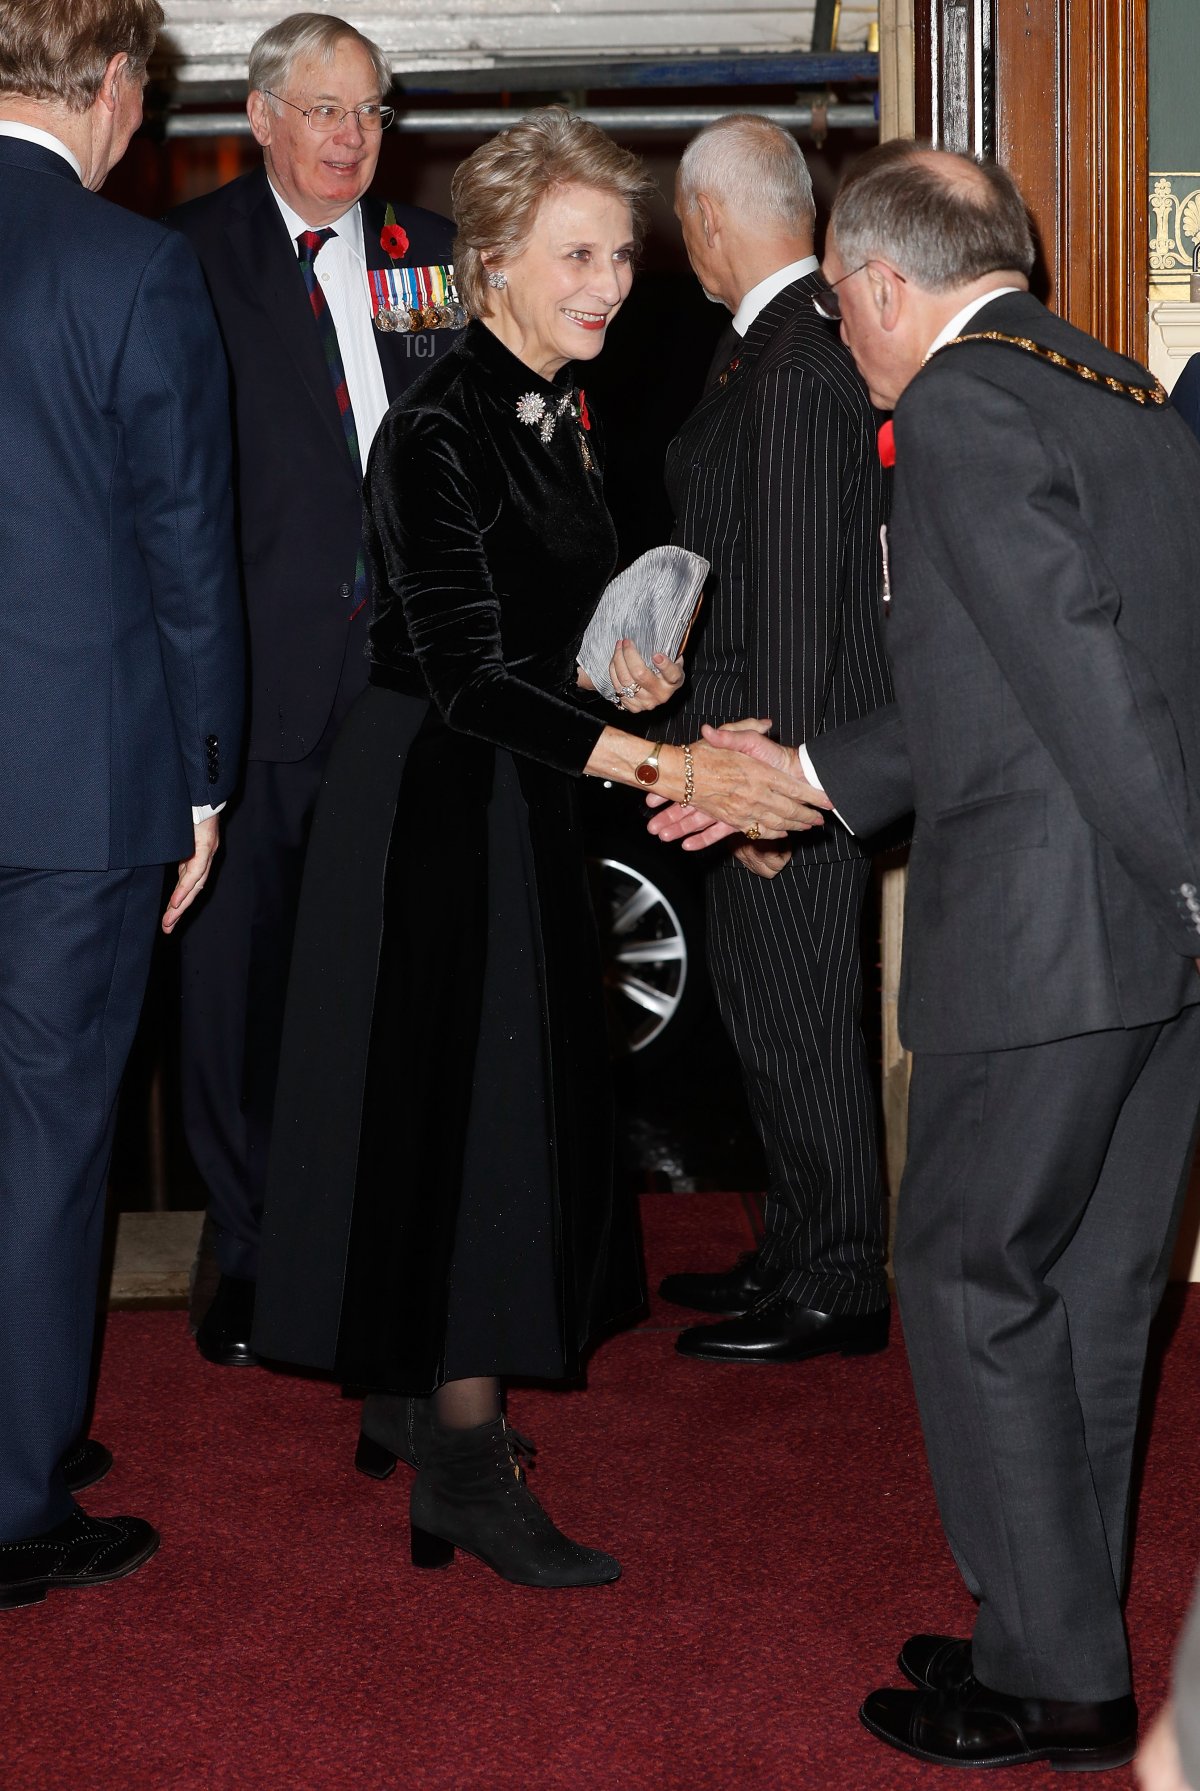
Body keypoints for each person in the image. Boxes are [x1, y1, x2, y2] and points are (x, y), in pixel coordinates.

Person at [651, 140, 1200, 1769]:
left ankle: (1049, 1679)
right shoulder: (1127, 394)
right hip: (1152, 959)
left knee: (968, 1279)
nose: (843, 334)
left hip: (1049, 945)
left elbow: (1085, 683)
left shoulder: (959, 405)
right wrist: (803, 774)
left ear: (884, 283)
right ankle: (1054, 1628)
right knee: (1092, 1296)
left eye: (842, 306)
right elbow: (1008, 683)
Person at [252, 107, 827, 1588]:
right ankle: (461, 1459)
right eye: (577, 256)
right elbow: (460, 671)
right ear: (493, 260)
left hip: (512, 790)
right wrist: (669, 760)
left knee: (481, 1102)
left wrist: (625, 679)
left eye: (621, 255)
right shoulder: (439, 424)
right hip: (432, 806)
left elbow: (543, 646)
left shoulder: (556, 410)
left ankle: (408, 1387)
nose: (610, 284)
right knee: (473, 1118)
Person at [168, 13, 460, 1369]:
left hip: (406, 684)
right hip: (256, 687)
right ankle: (249, 1250)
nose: (353, 137)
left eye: (371, 112)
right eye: (327, 110)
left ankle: (373, 1236)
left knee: (391, 974)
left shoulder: (425, 256)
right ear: (263, 117)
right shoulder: (189, 258)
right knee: (239, 990)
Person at [0, 0, 243, 1607]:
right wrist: (206, 777)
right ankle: (13, 1501)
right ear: (108, 85)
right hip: (76, 792)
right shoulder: (131, 269)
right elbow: (186, 553)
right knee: (44, 1138)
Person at [655, 115, 892, 1364]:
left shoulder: (795, 357)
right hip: (751, 750)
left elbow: (803, 600)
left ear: (707, 216)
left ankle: (841, 1278)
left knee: (802, 1026)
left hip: (782, 761)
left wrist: (776, 790)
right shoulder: (777, 341)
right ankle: (801, 1248)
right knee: (768, 1016)